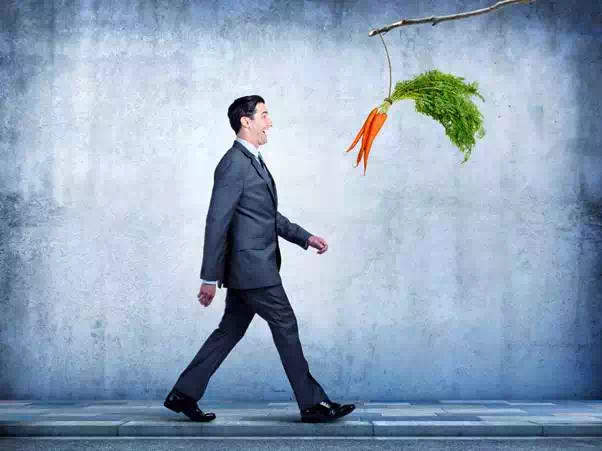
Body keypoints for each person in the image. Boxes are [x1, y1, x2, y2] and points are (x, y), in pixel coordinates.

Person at [164, 95, 355, 423]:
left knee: (229, 330)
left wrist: (304, 237)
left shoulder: (252, 161)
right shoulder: (233, 164)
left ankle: (183, 394)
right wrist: (208, 277)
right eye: (264, 115)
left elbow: (265, 216)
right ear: (246, 121)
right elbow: (217, 221)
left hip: (249, 269)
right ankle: (312, 403)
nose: (270, 122)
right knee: (285, 323)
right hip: (253, 269)